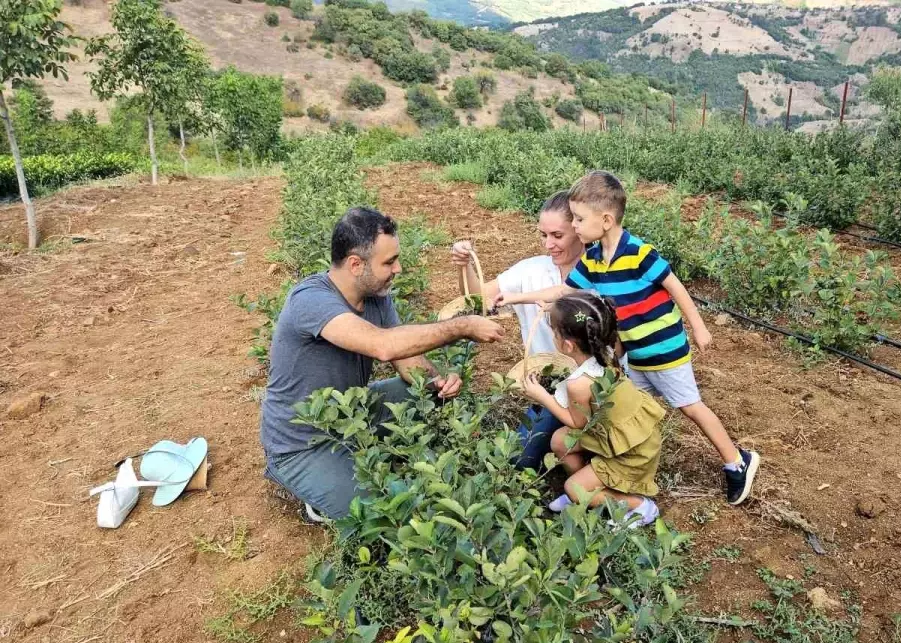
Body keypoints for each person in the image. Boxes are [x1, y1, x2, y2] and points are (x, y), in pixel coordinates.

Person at [497, 171, 762, 505]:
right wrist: (515, 298)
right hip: (633, 354)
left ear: (606, 220)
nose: (575, 225)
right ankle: (616, 472)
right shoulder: (593, 260)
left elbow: (674, 285)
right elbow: (564, 289)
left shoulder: (638, 252)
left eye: (579, 219)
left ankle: (737, 461)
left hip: (664, 350)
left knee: (691, 407)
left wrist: (699, 326)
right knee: (627, 411)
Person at [260, 207, 505, 521]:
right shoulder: (310, 300)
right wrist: (462, 326)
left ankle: (354, 456)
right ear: (355, 264)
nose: (398, 269)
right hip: (303, 441)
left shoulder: (376, 294)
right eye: (389, 262)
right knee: (385, 513)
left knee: (428, 392)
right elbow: (384, 346)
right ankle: (310, 487)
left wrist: (437, 383)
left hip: (353, 411)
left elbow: (405, 360)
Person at [449, 191, 587, 471]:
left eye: (557, 236)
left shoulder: (598, 273)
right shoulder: (531, 271)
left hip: (591, 386)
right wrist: (465, 268)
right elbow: (479, 302)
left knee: (595, 443)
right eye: (543, 235)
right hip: (550, 386)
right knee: (519, 459)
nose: (549, 244)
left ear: (579, 229)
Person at [520, 292, 664, 528]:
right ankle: (589, 487)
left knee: (572, 487)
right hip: (627, 433)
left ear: (568, 345)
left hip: (630, 452)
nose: (553, 336)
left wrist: (542, 396)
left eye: (554, 332)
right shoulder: (605, 350)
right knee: (559, 441)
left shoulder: (579, 383)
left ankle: (638, 506)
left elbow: (576, 423)